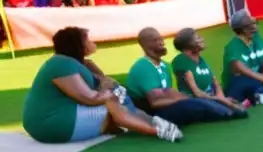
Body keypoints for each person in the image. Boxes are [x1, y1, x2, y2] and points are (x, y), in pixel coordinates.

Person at [23, 26, 182, 143]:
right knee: (112, 102)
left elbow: (104, 81)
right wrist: (110, 94)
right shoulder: (61, 64)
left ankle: (152, 122)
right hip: (50, 124)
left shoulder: (79, 63)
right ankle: (153, 130)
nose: (92, 42)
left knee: (119, 96)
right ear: (78, 44)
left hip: (59, 119)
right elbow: (89, 98)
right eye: (88, 39)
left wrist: (111, 88)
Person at [127, 28, 247, 125]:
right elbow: (155, 103)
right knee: (191, 105)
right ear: (145, 45)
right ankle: (227, 113)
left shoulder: (164, 66)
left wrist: (182, 97)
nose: (161, 42)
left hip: (164, 107)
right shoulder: (143, 67)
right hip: (150, 114)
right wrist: (183, 98)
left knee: (193, 103)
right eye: (155, 40)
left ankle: (226, 110)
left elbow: (167, 91)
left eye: (161, 39)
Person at [171, 28, 249, 115]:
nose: (201, 39)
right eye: (197, 38)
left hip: (210, 98)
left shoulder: (202, 60)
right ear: (187, 44)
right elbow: (196, 93)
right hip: (195, 100)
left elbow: (215, 83)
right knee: (230, 111)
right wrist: (221, 100)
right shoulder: (181, 61)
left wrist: (222, 97)